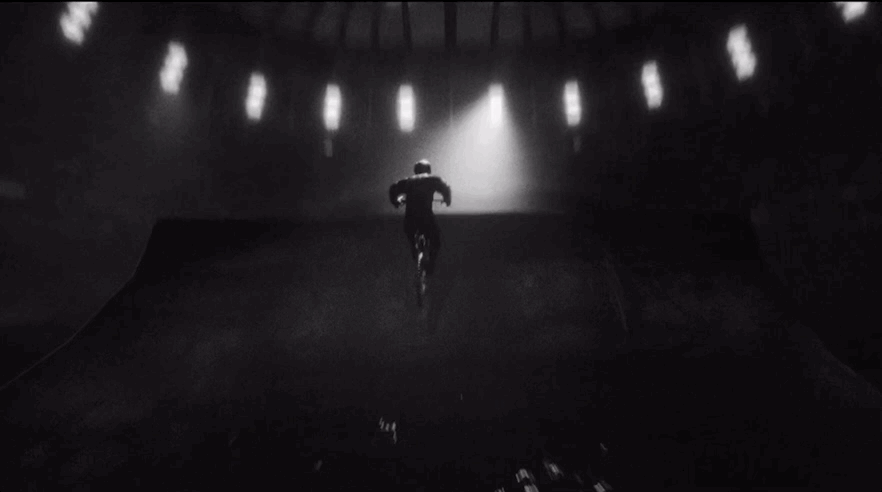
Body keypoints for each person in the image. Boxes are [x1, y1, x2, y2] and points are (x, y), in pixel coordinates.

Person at [388, 159, 451, 275]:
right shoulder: (433, 179)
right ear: (429, 170)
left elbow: (393, 188)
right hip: (426, 216)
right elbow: (445, 187)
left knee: (410, 233)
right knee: (436, 241)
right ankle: (431, 265)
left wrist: (396, 202)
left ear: (415, 170)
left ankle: (413, 246)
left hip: (410, 217)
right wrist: (447, 200)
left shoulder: (408, 181)